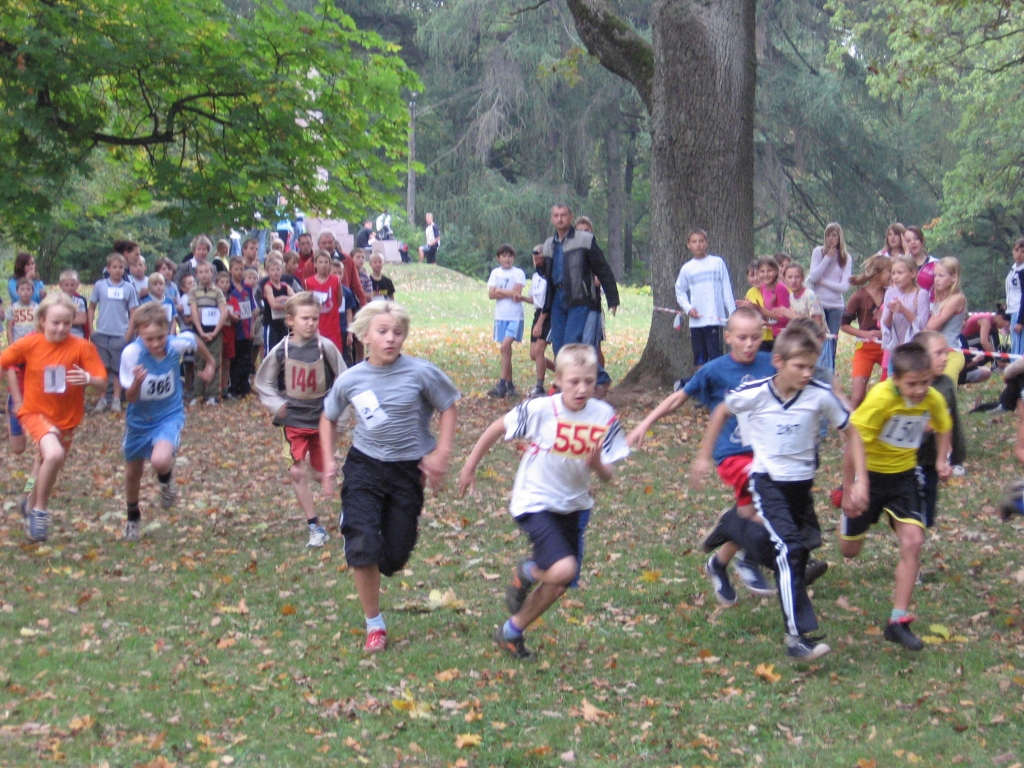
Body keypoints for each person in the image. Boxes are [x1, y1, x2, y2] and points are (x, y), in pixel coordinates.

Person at [693, 323, 867, 661]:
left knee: (800, 548)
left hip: (801, 486)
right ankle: (797, 637)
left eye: (809, 366)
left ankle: (734, 527)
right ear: (778, 362)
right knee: (790, 553)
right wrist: (703, 455)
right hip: (767, 481)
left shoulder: (819, 395)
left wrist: (859, 481)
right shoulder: (757, 391)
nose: (805, 373)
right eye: (798, 366)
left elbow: (852, 433)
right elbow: (722, 410)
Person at [458, 344, 629, 659]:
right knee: (563, 569)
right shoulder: (542, 409)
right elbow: (497, 428)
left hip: (574, 507)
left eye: (589, 382)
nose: (581, 389)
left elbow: (609, 476)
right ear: (559, 379)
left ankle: (511, 631)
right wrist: (469, 467)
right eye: (574, 381)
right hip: (534, 501)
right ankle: (527, 571)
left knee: (560, 584)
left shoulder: (603, 416)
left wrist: (597, 465)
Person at [319, 301, 459, 653]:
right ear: (366, 335)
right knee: (362, 545)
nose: (391, 338)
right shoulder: (351, 379)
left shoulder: (422, 373)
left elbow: (448, 405)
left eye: (398, 332)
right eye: (383, 332)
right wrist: (328, 460)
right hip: (364, 467)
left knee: (394, 557)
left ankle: (370, 549)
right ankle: (374, 625)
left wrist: (441, 452)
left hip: (407, 471)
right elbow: (329, 416)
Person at [627, 308, 777, 602]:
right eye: (742, 337)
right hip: (733, 454)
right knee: (763, 506)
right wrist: (646, 423)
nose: (749, 344)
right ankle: (748, 560)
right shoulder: (714, 370)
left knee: (751, 516)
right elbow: (678, 398)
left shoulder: (771, 364)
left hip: (766, 453)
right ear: (728, 337)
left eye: (756, 338)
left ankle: (720, 562)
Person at [843, 341, 952, 651]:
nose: (920, 391)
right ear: (895, 378)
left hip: (904, 477)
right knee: (849, 551)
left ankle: (897, 620)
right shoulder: (880, 399)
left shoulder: (931, 397)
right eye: (912, 384)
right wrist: (853, 485)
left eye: (925, 382)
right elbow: (853, 442)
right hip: (869, 475)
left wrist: (942, 459)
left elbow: (945, 426)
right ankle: (849, 521)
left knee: (914, 541)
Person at [1, 293, 107, 542]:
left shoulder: (82, 347)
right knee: (53, 454)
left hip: (66, 418)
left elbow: (102, 382)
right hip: (34, 412)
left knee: (42, 463)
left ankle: (27, 495)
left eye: (67, 323)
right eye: (55, 323)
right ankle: (38, 511)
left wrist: (89, 379)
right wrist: (15, 400)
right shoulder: (29, 344)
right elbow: (6, 363)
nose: (61, 328)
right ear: (42, 321)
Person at [256, 292, 346, 548]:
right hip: (293, 420)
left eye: (315, 319)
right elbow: (264, 382)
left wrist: (339, 412)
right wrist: (276, 404)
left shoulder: (324, 347)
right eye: (305, 318)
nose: (310, 323)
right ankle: (314, 526)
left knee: (320, 473)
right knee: (297, 471)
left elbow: (344, 378)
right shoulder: (281, 350)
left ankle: (349, 506)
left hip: (320, 421)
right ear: (290, 320)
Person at [119, 303, 215, 542]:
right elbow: (129, 398)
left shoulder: (174, 345)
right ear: (139, 334)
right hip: (139, 420)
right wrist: (136, 384)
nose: (155, 344)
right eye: (149, 339)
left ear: (168, 330)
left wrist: (210, 363)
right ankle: (133, 516)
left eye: (160, 337)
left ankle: (166, 480)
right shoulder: (132, 354)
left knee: (160, 459)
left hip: (167, 415)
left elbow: (193, 339)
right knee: (133, 472)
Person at [537, 204, 619, 388]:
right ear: (552, 218)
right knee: (558, 348)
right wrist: (540, 267)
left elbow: (602, 268)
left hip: (580, 299)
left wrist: (612, 298)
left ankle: (598, 380)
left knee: (570, 345)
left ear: (570, 217)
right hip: (558, 299)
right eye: (556, 216)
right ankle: (572, 384)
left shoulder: (585, 239)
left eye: (563, 215)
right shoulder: (549, 244)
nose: (560, 219)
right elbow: (548, 276)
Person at [915, 331, 965, 530]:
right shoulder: (913, 386)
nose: (945, 358)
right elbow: (932, 424)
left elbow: (948, 421)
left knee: (927, 508)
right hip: (911, 459)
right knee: (914, 511)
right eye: (938, 353)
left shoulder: (944, 383)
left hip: (932, 458)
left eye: (946, 353)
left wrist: (946, 457)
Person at [674, 228, 736, 372]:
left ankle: (716, 385)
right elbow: (680, 290)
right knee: (700, 357)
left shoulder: (717, 263)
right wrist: (688, 308)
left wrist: (732, 313)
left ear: (706, 243)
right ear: (689, 245)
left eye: (701, 241)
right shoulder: (687, 268)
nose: (698, 245)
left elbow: (726, 288)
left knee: (715, 355)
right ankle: (702, 387)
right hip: (696, 321)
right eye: (694, 242)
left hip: (714, 318)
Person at [89, 252, 140, 413]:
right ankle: (103, 398)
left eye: (120, 267)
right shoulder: (100, 285)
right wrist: (91, 329)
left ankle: (116, 399)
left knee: (118, 368)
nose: (118, 270)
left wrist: (129, 333)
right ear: (108, 268)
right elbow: (91, 307)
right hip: (102, 333)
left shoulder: (128, 288)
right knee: (102, 368)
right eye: (114, 267)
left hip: (121, 333)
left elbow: (134, 312)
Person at [841, 254, 891, 408]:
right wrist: (864, 334)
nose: (893, 275)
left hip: (887, 349)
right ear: (878, 273)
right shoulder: (859, 296)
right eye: (890, 271)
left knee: (886, 393)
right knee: (857, 395)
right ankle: (850, 425)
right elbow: (843, 325)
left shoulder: (891, 294)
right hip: (865, 348)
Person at [808, 223, 852, 372]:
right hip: (818, 305)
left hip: (835, 306)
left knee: (831, 342)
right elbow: (813, 276)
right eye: (828, 235)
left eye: (834, 235)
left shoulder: (846, 258)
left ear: (840, 237)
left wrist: (823, 281)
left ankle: (829, 374)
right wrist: (827, 258)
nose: (831, 239)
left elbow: (844, 287)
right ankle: (813, 371)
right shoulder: (818, 252)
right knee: (816, 339)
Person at [486, 244, 527, 398]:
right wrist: (502, 292)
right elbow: (491, 294)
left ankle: (501, 384)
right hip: (500, 316)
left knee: (504, 347)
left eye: (510, 256)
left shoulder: (518, 273)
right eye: (503, 256)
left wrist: (500, 291)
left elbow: (517, 294)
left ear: (513, 258)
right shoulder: (495, 273)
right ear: (498, 258)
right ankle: (510, 386)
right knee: (506, 351)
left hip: (515, 316)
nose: (507, 259)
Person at [880, 255, 929, 380]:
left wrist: (903, 310)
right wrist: (890, 312)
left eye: (900, 273)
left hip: (913, 350)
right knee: (893, 383)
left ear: (913, 273)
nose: (895, 277)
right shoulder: (890, 292)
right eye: (893, 273)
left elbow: (922, 325)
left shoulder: (921, 294)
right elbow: (886, 323)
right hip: (895, 350)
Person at [5, 278, 38, 456]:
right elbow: (9, 369)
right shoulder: (13, 309)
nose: (25, 292)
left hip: (43, 408)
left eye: (28, 289)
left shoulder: (37, 309)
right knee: (18, 449)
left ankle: (33, 484)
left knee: (44, 453)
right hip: (19, 351)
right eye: (22, 289)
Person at [188, 261, 227, 406]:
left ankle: (212, 394)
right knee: (199, 361)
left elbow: (223, 312)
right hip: (199, 332)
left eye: (207, 271)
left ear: (212, 273)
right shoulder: (193, 292)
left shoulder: (217, 292)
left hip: (215, 332)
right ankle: (198, 393)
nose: (204, 275)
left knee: (214, 361)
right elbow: (193, 311)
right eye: (201, 272)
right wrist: (200, 331)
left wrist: (215, 331)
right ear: (197, 275)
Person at [925, 257, 967, 382]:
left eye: (941, 276)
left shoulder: (957, 298)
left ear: (954, 277)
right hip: (936, 351)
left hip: (951, 352)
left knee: (946, 393)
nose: (936, 279)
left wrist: (930, 324)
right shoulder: (941, 299)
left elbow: (932, 326)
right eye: (935, 275)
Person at [524, 245, 554, 397]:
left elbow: (548, 300)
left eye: (539, 252)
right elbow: (534, 299)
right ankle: (561, 372)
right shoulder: (536, 276)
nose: (536, 255)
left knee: (539, 350)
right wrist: (521, 298)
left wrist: (540, 322)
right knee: (533, 354)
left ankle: (539, 387)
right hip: (537, 314)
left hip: (548, 315)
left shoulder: (550, 275)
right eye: (534, 252)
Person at [226, 257, 256, 398]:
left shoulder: (247, 287)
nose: (239, 272)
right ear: (231, 270)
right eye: (236, 269)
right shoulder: (228, 288)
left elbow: (252, 308)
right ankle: (234, 387)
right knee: (235, 358)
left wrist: (252, 327)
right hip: (233, 328)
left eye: (241, 269)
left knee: (246, 357)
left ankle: (245, 386)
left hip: (246, 326)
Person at [304, 249, 344, 353]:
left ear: (330, 264)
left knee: (334, 354)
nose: (323, 265)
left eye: (326, 262)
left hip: (333, 326)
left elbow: (339, 301)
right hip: (317, 326)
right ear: (315, 264)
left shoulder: (336, 280)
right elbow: (308, 303)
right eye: (320, 262)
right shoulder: (308, 282)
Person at [316, 230, 366, 307]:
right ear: (318, 244)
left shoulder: (347, 259)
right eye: (324, 243)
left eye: (330, 242)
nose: (327, 245)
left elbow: (357, 286)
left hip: (345, 304)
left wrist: (363, 305)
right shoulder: (311, 263)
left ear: (335, 243)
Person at [960, 310, 1009, 384]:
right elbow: (984, 342)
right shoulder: (986, 320)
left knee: (992, 340)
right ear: (1000, 318)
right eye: (1005, 324)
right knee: (991, 336)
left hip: (974, 341)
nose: (1004, 327)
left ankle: (995, 364)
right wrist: (998, 359)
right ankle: (996, 365)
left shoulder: (993, 322)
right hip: (965, 341)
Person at [260, 254, 294, 353]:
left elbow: (296, 299)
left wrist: (282, 298)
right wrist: (287, 303)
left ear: (282, 270)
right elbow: (273, 305)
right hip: (271, 323)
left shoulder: (285, 286)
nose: (276, 272)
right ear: (268, 271)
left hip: (283, 322)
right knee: (271, 351)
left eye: (278, 269)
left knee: (284, 349)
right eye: (273, 270)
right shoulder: (268, 286)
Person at [781, 263, 824, 330]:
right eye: (790, 277)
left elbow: (818, 324)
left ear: (803, 278)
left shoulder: (810, 296)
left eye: (797, 277)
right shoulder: (791, 297)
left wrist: (794, 316)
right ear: (784, 279)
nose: (793, 281)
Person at [215, 271, 236, 399]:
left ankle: (224, 388)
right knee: (218, 362)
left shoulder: (233, 299)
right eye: (221, 282)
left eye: (227, 282)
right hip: (217, 333)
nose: (224, 285)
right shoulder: (213, 299)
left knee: (227, 362)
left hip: (230, 332)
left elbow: (238, 318)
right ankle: (214, 389)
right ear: (216, 284)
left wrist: (230, 315)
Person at [904, 226, 936, 298]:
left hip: (931, 306)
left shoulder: (936, 263)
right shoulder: (901, 264)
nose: (913, 242)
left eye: (916, 239)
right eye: (908, 241)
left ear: (922, 240)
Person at [58, 270, 89, 341]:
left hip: (77, 335)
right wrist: (73, 318)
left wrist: (60, 319)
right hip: (60, 335)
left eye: (72, 285)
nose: (70, 288)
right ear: (60, 285)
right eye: (66, 285)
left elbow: (82, 319)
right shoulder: (55, 300)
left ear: (77, 285)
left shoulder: (79, 301)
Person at [1006, 238, 1024, 356]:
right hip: (1014, 311)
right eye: (1017, 250)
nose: (1019, 254)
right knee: (1015, 347)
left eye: (1023, 251)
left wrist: (1020, 321)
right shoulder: (1014, 269)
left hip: (1020, 312)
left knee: (1019, 349)